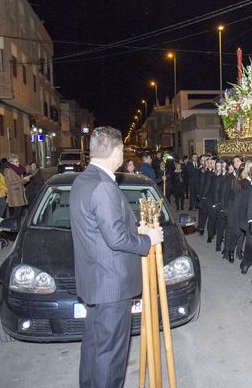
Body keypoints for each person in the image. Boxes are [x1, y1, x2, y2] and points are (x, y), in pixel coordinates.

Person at [69, 126, 163, 388]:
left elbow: (100, 228)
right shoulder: (103, 186)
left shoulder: (83, 180)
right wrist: (147, 239)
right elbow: (115, 238)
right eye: (122, 148)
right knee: (110, 357)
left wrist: (135, 229)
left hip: (96, 282)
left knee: (94, 350)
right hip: (111, 285)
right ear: (116, 152)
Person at [4, 154, 30, 219]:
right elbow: (9, 183)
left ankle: (16, 227)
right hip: (14, 195)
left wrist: (25, 180)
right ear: (11, 162)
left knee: (18, 213)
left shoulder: (18, 169)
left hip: (19, 194)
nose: (18, 163)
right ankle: (11, 226)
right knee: (17, 213)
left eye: (18, 161)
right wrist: (22, 179)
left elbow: (20, 182)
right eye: (16, 161)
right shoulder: (9, 171)